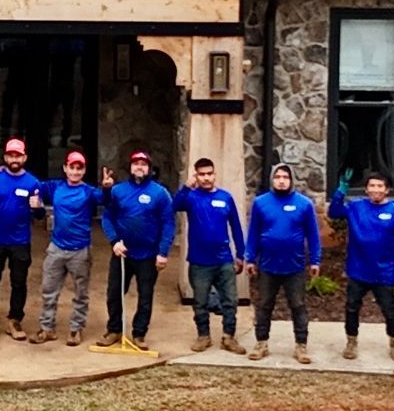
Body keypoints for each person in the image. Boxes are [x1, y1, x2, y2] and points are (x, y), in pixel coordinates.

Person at [328, 170, 394, 362]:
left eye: (380, 186)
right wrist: (341, 190)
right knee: (352, 308)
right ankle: (351, 341)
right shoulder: (356, 206)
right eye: (372, 186)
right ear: (366, 189)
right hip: (358, 270)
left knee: (389, 309)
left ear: (387, 189)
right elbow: (334, 212)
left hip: (384, 272)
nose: (375, 189)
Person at [96, 150, 174, 349]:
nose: (139, 167)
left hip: (148, 255)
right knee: (114, 293)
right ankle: (114, 330)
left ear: (149, 168)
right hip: (122, 253)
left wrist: (163, 253)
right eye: (136, 163)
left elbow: (168, 224)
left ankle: (139, 334)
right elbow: (107, 218)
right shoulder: (118, 191)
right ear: (130, 167)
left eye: (144, 164)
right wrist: (114, 241)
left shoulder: (160, 193)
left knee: (145, 296)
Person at [245, 163, 319, 364]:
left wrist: (315, 260)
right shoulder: (261, 203)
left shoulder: (304, 204)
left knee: (298, 305)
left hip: (294, 266)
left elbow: (313, 235)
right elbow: (253, 233)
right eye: (277, 176)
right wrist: (250, 258)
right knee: (264, 305)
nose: (281, 180)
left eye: (285, 177)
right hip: (268, 265)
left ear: (291, 180)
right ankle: (261, 343)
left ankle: (301, 346)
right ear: (272, 179)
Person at [173, 158, 247, 354]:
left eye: (209, 174)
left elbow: (236, 227)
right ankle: (203, 336)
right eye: (202, 174)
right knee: (201, 302)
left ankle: (228, 337)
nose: (206, 178)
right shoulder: (191, 197)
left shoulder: (226, 198)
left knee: (230, 300)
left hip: (223, 259)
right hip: (199, 261)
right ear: (196, 176)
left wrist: (240, 254)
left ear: (215, 174)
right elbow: (174, 206)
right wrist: (185, 188)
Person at [0, 137, 42, 341]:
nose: (14, 159)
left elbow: (38, 217)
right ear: (5, 157)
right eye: (10, 155)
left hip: (20, 241)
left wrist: (37, 207)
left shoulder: (32, 182)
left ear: (24, 157)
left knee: (19, 282)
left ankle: (15, 320)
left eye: (18, 155)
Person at [33, 149, 99, 346]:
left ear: (84, 171)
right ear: (65, 168)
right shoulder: (55, 187)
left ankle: (75, 329)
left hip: (80, 250)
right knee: (48, 289)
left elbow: (106, 199)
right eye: (72, 167)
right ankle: (47, 328)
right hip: (57, 247)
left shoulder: (88, 191)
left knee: (80, 292)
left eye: (80, 168)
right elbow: (32, 185)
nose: (76, 172)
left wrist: (106, 188)